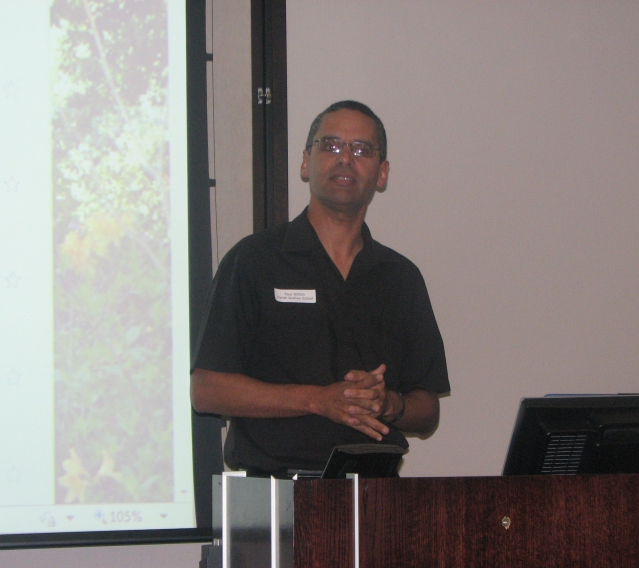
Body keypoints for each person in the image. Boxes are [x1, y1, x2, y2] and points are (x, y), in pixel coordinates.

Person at [191, 100, 449, 476]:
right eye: (330, 145)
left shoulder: (401, 277)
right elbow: (206, 390)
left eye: (361, 149)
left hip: (377, 492)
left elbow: (427, 410)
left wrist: (389, 404)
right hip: (275, 492)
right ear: (305, 162)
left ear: (382, 173)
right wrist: (317, 400)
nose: (344, 158)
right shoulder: (253, 261)